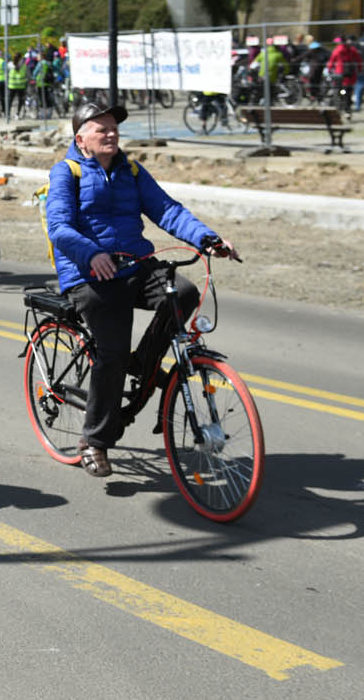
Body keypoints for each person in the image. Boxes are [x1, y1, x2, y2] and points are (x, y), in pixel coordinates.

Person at [44, 102, 238, 477]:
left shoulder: (130, 170)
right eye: (102, 128)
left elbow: (166, 209)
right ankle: (95, 441)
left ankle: (143, 361)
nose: (112, 133)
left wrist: (207, 238)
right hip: (89, 273)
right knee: (111, 352)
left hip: (134, 263)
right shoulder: (66, 173)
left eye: (114, 127)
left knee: (182, 293)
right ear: (80, 137)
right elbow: (59, 227)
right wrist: (92, 253)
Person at [325, 35, 362, 112]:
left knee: (339, 90)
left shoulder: (338, 49)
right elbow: (359, 61)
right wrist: (359, 69)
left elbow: (332, 60)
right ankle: (347, 109)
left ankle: (340, 103)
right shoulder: (352, 49)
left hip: (339, 73)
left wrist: (329, 69)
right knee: (348, 91)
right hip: (350, 74)